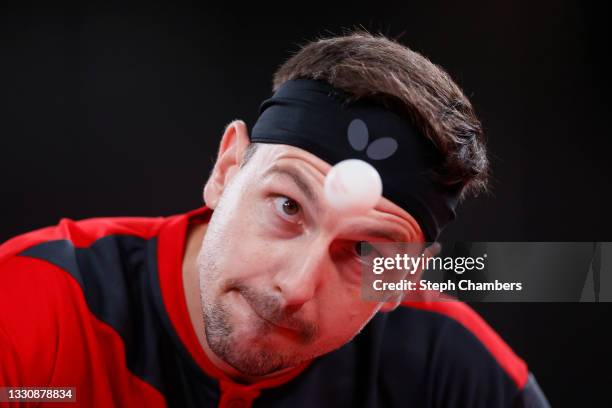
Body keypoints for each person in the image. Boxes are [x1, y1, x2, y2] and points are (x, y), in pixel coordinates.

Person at [0, 32, 550, 407]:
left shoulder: (448, 365)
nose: (293, 288)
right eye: (288, 207)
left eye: (364, 252)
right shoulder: (36, 303)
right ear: (226, 168)